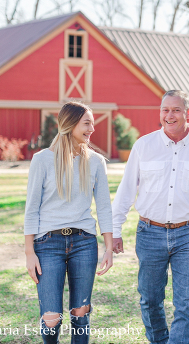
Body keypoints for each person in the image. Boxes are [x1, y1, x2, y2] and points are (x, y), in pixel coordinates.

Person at [111, 90, 189, 344]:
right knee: (149, 299)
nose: (169, 116)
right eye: (165, 110)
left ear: (188, 113)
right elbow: (126, 191)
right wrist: (115, 229)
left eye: (176, 110)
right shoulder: (144, 146)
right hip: (149, 233)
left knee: (187, 302)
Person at [24, 102, 113, 344]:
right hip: (47, 244)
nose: (92, 129)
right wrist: (29, 252)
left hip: (84, 243)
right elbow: (31, 209)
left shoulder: (96, 162)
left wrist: (108, 247)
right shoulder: (42, 160)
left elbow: (104, 206)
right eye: (87, 123)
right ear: (71, 124)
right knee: (51, 317)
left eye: (92, 123)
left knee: (80, 313)